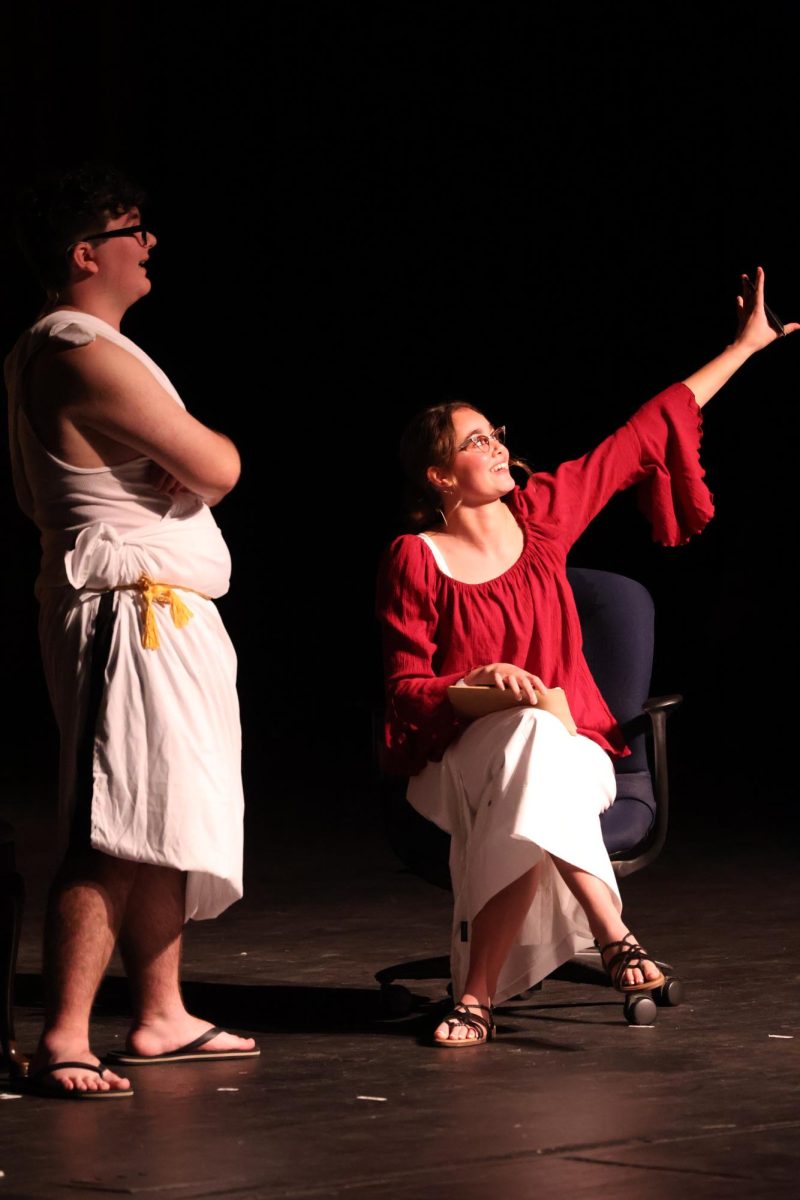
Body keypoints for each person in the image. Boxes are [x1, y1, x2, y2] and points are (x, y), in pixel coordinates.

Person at [376, 269, 797, 1047]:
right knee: (529, 735)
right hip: (458, 765)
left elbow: (646, 429)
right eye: (476, 443)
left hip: (576, 751)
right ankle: (613, 930)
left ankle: (475, 996)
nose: (498, 446)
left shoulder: (543, 518)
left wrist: (743, 348)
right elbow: (405, 692)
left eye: (495, 433)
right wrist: (477, 686)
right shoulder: (415, 557)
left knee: (541, 744)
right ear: (440, 477)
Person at [4, 164, 258, 1097]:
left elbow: (199, 467)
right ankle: (65, 1034)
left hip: (160, 610)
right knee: (112, 824)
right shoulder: (76, 349)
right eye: (131, 229)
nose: (147, 243)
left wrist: (188, 462)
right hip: (127, 613)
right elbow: (219, 464)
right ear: (85, 254)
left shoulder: (91, 346)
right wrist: (193, 458)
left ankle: (161, 1013)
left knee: (163, 817)